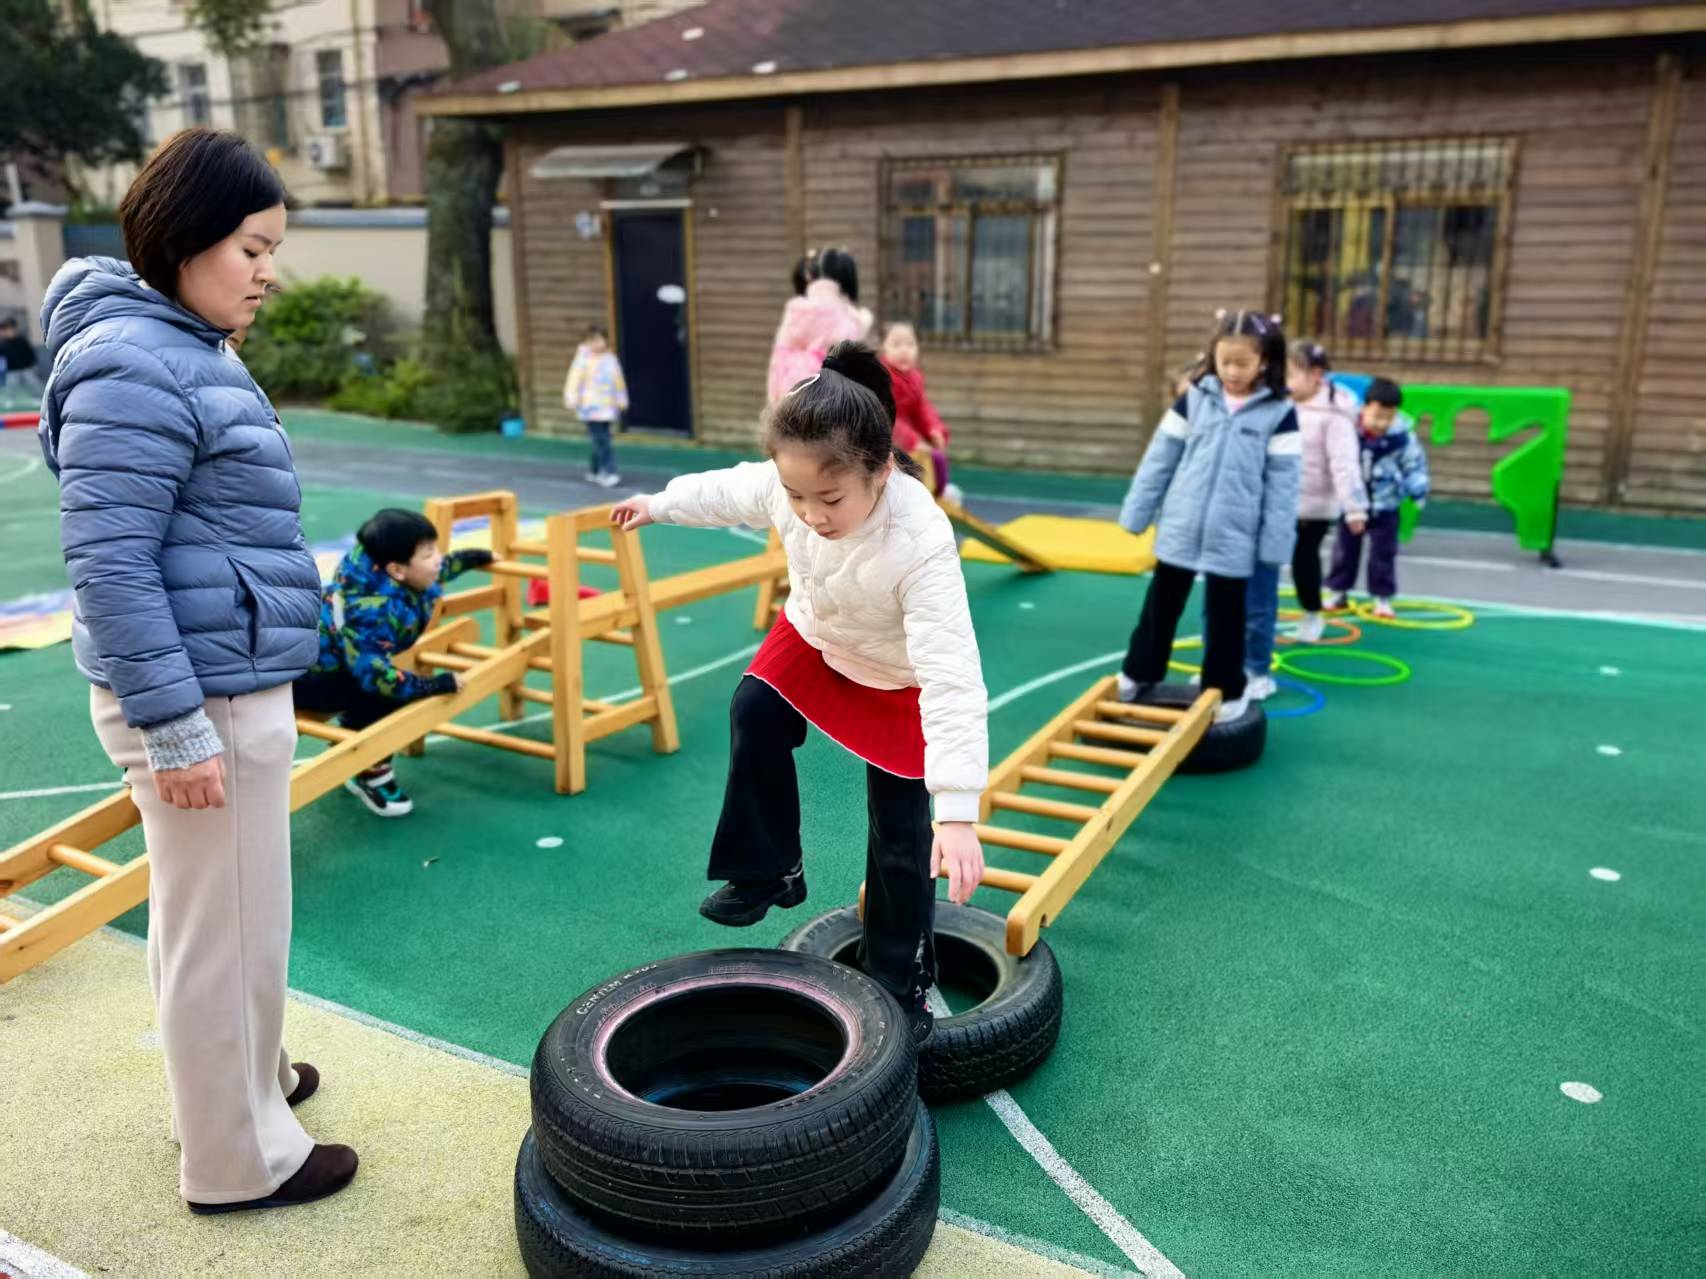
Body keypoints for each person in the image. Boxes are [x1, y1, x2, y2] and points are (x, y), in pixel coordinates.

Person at [36, 128, 356, 1213]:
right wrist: (174, 726)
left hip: (221, 675)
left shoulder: (176, 340)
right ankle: (237, 1159)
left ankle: (248, 1087)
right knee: (223, 929)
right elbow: (110, 561)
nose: (267, 273)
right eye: (252, 249)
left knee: (226, 919)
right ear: (185, 239)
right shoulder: (139, 359)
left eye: (273, 252)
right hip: (199, 694)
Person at [611, 341, 987, 1047]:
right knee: (754, 707)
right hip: (817, 633)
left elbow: (952, 676)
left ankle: (899, 980)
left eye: (831, 498)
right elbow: (726, 490)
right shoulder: (790, 479)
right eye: (795, 496)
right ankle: (769, 870)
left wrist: (960, 814)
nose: (810, 514)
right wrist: (655, 505)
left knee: (900, 828)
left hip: (897, 672)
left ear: (881, 469)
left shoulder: (921, 540)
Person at [1116, 310, 1300, 723]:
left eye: (1243, 363)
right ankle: (1137, 672)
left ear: (1264, 361)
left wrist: (1275, 544)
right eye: (1225, 361)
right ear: (1212, 356)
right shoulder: (1194, 399)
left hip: (1234, 534)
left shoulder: (1279, 412)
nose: (1232, 371)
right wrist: (1138, 511)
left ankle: (1226, 689)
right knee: (1160, 607)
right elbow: (1160, 458)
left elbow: (1284, 486)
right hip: (1182, 525)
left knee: (1226, 618)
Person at [294, 508, 492, 817]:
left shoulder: (389, 568)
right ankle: (369, 772)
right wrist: (433, 685)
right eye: (428, 554)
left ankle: (356, 744)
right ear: (396, 570)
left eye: (436, 550)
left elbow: (438, 570)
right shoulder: (372, 610)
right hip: (305, 679)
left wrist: (476, 557)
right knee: (387, 694)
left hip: (337, 663)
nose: (438, 559)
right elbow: (375, 678)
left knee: (377, 683)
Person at [1240, 340, 1370, 694]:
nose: (1284, 382)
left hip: (1311, 509)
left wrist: (1354, 506)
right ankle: (1256, 627)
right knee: (1262, 567)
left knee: (1302, 561)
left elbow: (1344, 464)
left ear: (1316, 375)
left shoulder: (1334, 416)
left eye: (1291, 375)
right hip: (1273, 504)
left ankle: (1312, 611)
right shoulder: (1279, 405)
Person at [1325, 378, 1430, 618]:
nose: (1382, 423)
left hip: (1386, 505)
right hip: (1352, 505)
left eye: (1389, 417)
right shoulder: (1348, 433)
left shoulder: (1402, 439)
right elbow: (1335, 461)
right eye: (1377, 416)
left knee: (1383, 553)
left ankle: (1382, 597)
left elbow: (1415, 466)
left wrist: (1418, 490)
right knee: (1344, 551)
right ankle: (1338, 591)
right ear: (1364, 408)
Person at [766, 247, 873, 404]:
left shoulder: (796, 308)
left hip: (789, 396)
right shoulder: (848, 317)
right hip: (828, 398)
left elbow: (779, 357)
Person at [879, 321, 961, 503]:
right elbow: (887, 416)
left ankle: (938, 494)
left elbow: (922, 409)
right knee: (919, 464)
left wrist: (934, 429)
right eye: (896, 344)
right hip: (886, 440)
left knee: (938, 457)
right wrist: (913, 441)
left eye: (910, 344)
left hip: (907, 438)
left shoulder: (914, 377)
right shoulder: (882, 378)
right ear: (884, 349)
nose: (904, 350)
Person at [563, 323, 628, 488]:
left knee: (600, 439)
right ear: (586, 342)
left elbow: (618, 380)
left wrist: (621, 399)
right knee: (603, 440)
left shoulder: (610, 359)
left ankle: (594, 470)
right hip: (590, 407)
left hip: (607, 407)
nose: (596, 344)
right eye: (591, 341)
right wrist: (571, 398)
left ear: (606, 340)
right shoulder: (582, 360)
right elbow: (574, 380)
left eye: (599, 340)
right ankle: (609, 472)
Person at [0, 315, 39, 389]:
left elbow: (30, 354)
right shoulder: (3, 343)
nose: (9, 332)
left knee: (35, 386)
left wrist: (32, 365)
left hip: (26, 369)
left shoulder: (21, 341)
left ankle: (41, 396)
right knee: (11, 388)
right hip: (12, 371)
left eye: (10, 329)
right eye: (6, 330)